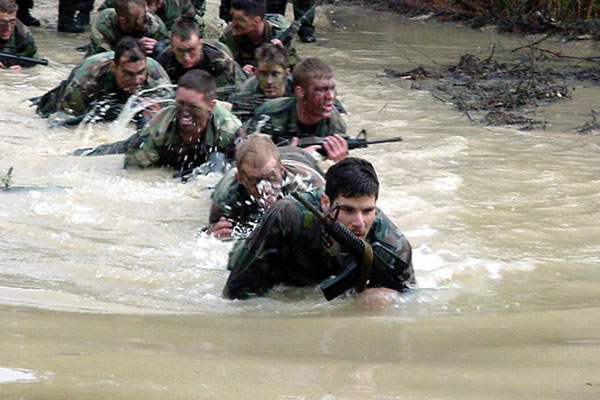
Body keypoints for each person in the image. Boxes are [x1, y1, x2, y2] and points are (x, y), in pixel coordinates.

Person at [224, 157, 415, 303]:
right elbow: (237, 294)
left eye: (368, 211)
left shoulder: (393, 246)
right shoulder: (288, 216)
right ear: (325, 202)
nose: (359, 223)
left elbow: (411, 300)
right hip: (263, 261)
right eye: (348, 210)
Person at [207, 133, 325, 239]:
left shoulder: (308, 184)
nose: (265, 188)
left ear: (281, 170)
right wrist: (211, 235)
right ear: (240, 179)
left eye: (271, 178)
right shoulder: (227, 192)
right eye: (255, 181)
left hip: (299, 157)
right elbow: (208, 232)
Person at [124, 69, 242, 171]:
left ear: (210, 106)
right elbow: (134, 172)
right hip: (156, 155)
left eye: (193, 107)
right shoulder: (158, 127)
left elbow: (246, 171)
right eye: (180, 104)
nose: (184, 113)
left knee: (218, 159)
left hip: (211, 166)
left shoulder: (230, 130)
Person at [35, 37, 173, 122]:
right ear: (114, 67)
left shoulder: (155, 72)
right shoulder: (86, 80)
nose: (137, 80)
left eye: (141, 72)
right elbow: (62, 121)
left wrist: (158, 110)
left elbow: (170, 111)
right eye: (128, 74)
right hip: (63, 100)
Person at [244, 57, 347, 162]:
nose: (330, 96)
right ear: (300, 92)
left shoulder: (335, 122)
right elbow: (249, 158)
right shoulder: (270, 114)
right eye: (321, 90)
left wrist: (339, 161)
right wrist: (294, 155)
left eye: (332, 88)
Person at [155, 17, 243, 87]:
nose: (186, 57)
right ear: (172, 46)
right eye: (180, 50)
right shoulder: (164, 61)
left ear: (200, 44)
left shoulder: (219, 61)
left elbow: (228, 93)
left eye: (191, 50)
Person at [219, 0, 297, 75]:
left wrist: (283, 55)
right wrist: (239, 70)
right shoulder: (230, 33)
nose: (233, 23)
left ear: (256, 21)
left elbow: (295, 67)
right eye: (232, 17)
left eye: (238, 20)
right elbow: (222, 66)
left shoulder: (279, 34)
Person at [87, 0, 169, 56]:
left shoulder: (154, 24)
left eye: (145, 15)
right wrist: (133, 49)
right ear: (122, 20)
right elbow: (102, 56)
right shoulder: (104, 22)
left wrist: (158, 47)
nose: (145, 24)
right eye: (140, 20)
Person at [220, 0, 317, 43]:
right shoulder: (229, 33)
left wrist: (280, 55)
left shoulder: (281, 34)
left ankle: (306, 30)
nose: (233, 23)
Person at [98, 0, 200, 31]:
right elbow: (105, 11)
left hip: (187, 20)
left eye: (148, 5)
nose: (143, 7)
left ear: (159, 3)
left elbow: (169, 34)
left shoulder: (172, 6)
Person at [0, 0, 37, 69]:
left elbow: (34, 63)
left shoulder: (23, 35)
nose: (7, 28)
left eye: (12, 21)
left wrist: (22, 69)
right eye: (2, 22)